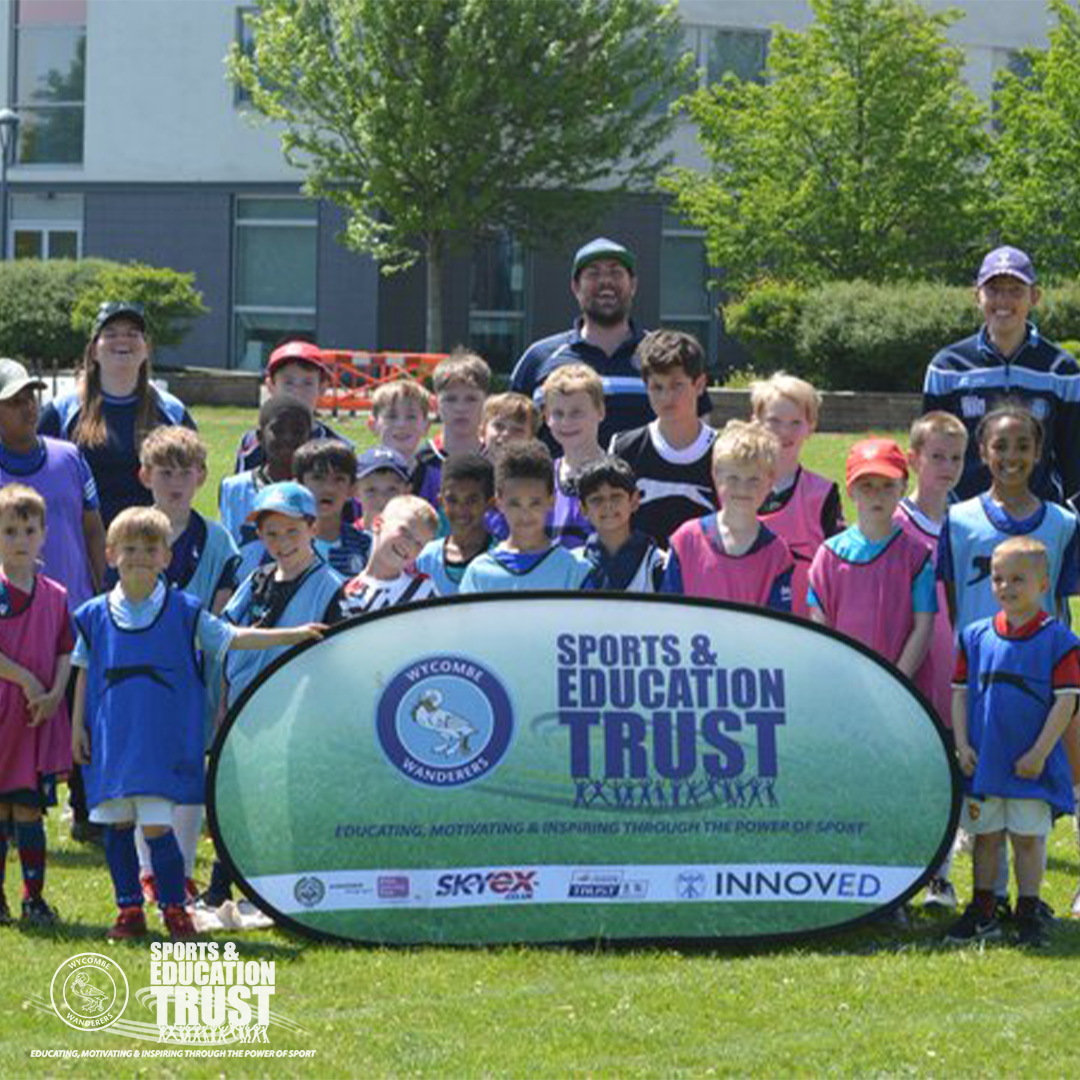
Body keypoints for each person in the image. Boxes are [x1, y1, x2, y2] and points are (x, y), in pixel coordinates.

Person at [70, 506, 327, 940]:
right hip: (113, 738)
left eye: (150, 549)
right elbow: (83, 668)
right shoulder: (94, 614)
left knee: (155, 825)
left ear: (166, 557)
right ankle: (128, 910)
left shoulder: (183, 611)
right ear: (111, 554)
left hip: (159, 741)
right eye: (129, 549)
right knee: (117, 826)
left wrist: (292, 633)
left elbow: (233, 637)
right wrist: (77, 725)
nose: (139, 557)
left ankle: (174, 909)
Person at [945, 537, 1078, 947]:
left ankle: (1029, 909)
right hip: (984, 762)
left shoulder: (1060, 642)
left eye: (1018, 579)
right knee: (985, 838)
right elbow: (960, 692)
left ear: (1043, 584)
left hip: (1029, 765)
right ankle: (984, 907)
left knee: (1027, 839)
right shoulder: (974, 636)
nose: (1006, 587)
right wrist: (963, 744)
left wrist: (1039, 752)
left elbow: (1067, 701)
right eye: (998, 578)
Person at [133, 426, 240, 904]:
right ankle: (146, 870)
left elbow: (222, 614)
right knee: (147, 775)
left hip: (196, 675)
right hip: (142, 676)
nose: (175, 481)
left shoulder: (218, 540)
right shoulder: (131, 532)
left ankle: (179, 863)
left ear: (201, 476)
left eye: (185, 471)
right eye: (165, 471)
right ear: (145, 475)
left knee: (191, 772)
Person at [511, 238, 711, 448]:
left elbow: (698, 430)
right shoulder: (539, 358)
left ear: (633, 285)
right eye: (593, 273)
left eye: (616, 272)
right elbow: (512, 431)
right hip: (557, 480)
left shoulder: (666, 356)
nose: (605, 281)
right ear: (575, 287)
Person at [923, 245, 1080, 504]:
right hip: (965, 521)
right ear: (977, 296)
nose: (1003, 301)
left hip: (1042, 520)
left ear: (1035, 296)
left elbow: (1074, 457)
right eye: (993, 290)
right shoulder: (947, 367)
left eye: (1015, 291)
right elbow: (931, 453)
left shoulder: (1062, 370)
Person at [38, 301, 196, 527]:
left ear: (146, 349)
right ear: (94, 350)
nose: (122, 340)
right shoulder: (61, 411)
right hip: (81, 547)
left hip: (151, 549)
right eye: (110, 334)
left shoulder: (172, 412)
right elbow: (36, 478)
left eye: (133, 334)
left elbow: (190, 479)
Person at [938, 402, 1079, 636]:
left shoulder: (1063, 523)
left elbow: (1060, 606)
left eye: (1023, 446)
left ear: (1037, 452)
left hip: (1040, 666)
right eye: (1000, 446)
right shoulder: (957, 521)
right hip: (978, 667)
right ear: (983, 452)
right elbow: (953, 605)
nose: (1011, 456)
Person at [0, 485, 73, 926]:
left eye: (29, 530)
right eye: (9, 531)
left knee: (29, 810)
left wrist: (55, 692)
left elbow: (67, 649)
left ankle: (34, 898)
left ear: (44, 533)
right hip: (4, 716)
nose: (20, 539)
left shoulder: (57, 595)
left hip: (36, 717)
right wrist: (24, 678)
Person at [808, 438, 935, 679]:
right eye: (867, 485)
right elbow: (819, 625)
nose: (877, 495)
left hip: (904, 686)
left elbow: (923, 627)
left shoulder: (916, 556)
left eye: (887, 485)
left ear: (903, 487)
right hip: (845, 682)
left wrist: (897, 682)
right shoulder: (830, 555)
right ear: (850, 490)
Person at [0, 357, 105, 614]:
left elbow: (94, 532)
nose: (28, 408)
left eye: (31, 398)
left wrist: (104, 596)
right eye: (15, 402)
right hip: (11, 627)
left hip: (75, 616)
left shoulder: (70, 458)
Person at [661, 420, 792, 610]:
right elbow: (668, 612)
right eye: (733, 478)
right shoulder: (686, 540)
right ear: (716, 475)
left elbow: (779, 627)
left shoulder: (777, 553)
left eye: (753, 479)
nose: (742, 488)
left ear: (770, 481)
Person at [610, 330, 716, 548]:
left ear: (699, 384)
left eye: (677, 385)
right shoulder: (623, 448)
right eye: (657, 387)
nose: (666, 397)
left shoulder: (725, 452)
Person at [750, 372, 844, 617]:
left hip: (805, 628)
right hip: (745, 624)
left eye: (796, 422)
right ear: (756, 421)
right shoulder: (733, 487)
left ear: (811, 426)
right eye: (774, 421)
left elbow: (839, 568)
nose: (785, 431)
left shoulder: (822, 494)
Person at [460, 440, 589, 593]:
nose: (525, 514)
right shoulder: (479, 572)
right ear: (499, 503)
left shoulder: (573, 569)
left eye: (535, 503)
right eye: (515, 504)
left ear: (551, 501)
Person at [232, 337, 350, 473]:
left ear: (322, 387)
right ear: (271, 386)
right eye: (288, 383)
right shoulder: (253, 442)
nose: (297, 392)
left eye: (308, 383)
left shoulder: (339, 447)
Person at [219, 396, 313, 548]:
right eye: (278, 430)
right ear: (260, 437)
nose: (288, 437)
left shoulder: (317, 489)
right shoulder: (234, 488)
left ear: (310, 438)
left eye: (297, 431)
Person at [413, 349, 491, 511]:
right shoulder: (422, 459)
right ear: (435, 403)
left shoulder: (494, 458)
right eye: (450, 399)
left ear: (486, 402)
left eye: (471, 399)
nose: (460, 408)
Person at [576, 456, 666, 593]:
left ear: (634, 501)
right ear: (583, 509)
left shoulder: (657, 563)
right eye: (596, 499)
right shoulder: (573, 563)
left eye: (616, 496)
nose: (608, 505)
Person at [542, 363, 605, 548]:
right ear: (546, 417)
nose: (566, 422)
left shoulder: (618, 476)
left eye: (577, 413)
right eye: (558, 413)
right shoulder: (542, 479)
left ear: (600, 411)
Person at [342, 495, 440, 613]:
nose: (409, 545)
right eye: (405, 532)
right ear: (377, 524)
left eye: (419, 544)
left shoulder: (425, 591)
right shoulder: (348, 594)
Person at [415, 453, 496, 596]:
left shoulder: (498, 556)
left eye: (471, 500)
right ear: (440, 501)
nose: (461, 509)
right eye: (452, 500)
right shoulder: (426, 558)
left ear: (489, 503)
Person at [295, 439, 372, 578]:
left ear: (352, 489)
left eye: (339, 479)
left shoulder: (365, 544)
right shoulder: (288, 543)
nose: (328, 489)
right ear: (299, 486)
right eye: (318, 478)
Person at [368, 379, 433, 491]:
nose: (401, 424)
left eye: (411, 417)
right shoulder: (361, 476)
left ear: (426, 426)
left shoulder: (436, 480)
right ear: (372, 425)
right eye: (391, 416)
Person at [354, 446, 412, 532]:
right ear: (355, 492)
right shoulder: (344, 540)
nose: (382, 499)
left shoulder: (418, 540)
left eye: (392, 490)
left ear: (407, 492)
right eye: (371, 490)